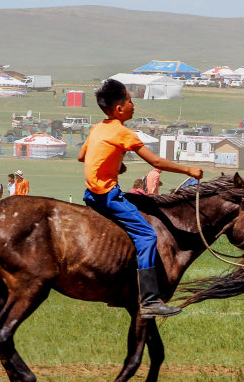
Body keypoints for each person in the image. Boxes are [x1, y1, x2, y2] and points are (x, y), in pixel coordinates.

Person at [78, 78, 203, 318]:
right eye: (130, 100)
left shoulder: (98, 128)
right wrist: (189, 170)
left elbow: (82, 156)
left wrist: (115, 164)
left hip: (90, 195)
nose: (134, 104)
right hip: (107, 197)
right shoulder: (123, 133)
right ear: (119, 109)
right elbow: (155, 162)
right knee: (147, 235)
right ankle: (148, 300)